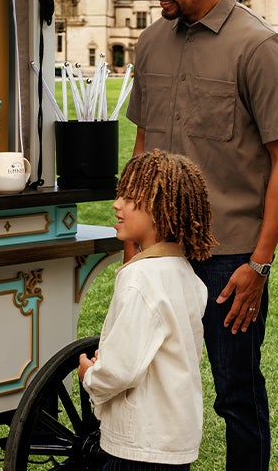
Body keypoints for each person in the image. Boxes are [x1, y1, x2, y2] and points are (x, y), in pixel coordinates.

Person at [125, 0, 278, 470]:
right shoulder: (151, 42)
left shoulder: (259, 47)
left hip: (229, 257)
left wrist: (260, 264)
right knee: (143, 378)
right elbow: (144, 142)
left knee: (237, 394)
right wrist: (133, 232)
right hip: (159, 250)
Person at [78, 149, 217, 470]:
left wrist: (91, 375)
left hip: (138, 445)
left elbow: (121, 369)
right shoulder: (185, 274)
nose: (116, 205)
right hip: (174, 440)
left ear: (157, 210)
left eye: (129, 198)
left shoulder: (141, 279)